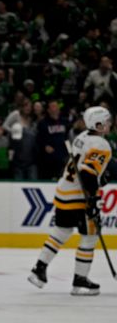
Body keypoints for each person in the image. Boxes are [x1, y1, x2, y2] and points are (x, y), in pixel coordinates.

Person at [28, 106, 113, 296]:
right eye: (106, 121)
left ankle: (39, 269)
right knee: (89, 236)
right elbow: (87, 173)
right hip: (79, 197)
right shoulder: (101, 145)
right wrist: (93, 201)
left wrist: (101, 176)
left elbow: (85, 166)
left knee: (61, 231)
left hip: (64, 191)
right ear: (98, 125)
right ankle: (80, 281)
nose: (109, 124)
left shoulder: (82, 136)